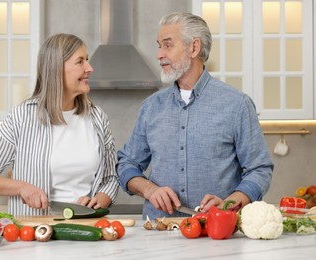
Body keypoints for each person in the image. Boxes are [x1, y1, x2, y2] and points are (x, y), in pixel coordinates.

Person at [117, 12, 274, 220]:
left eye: (167, 45)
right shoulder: (151, 107)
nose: (159, 54)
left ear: (194, 48)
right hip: (159, 231)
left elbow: (260, 169)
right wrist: (149, 189)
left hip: (217, 233)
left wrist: (230, 203)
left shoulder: (237, 104)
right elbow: (126, 164)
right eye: (159, 45)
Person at [0, 33, 119, 216]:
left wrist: (99, 201)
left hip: (85, 228)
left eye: (87, 60)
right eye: (80, 61)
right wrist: (22, 188)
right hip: (32, 233)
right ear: (56, 68)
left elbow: (110, 178)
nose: (89, 68)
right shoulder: (22, 116)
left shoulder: (97, 118)